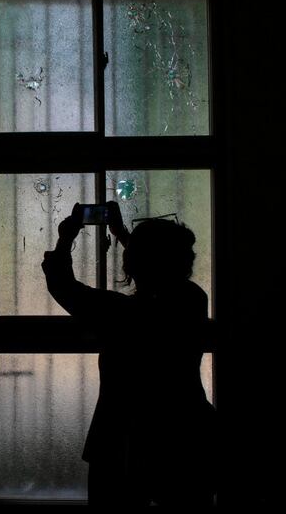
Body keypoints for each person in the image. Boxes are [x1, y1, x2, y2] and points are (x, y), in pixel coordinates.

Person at [42, 202, 217, 507]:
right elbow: (163, 273)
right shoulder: (192, 300)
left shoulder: (119, 313)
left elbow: (62, 284)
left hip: (120, 438)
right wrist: (123, 234)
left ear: (134, 262)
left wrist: (66, 237)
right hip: (188, 435)